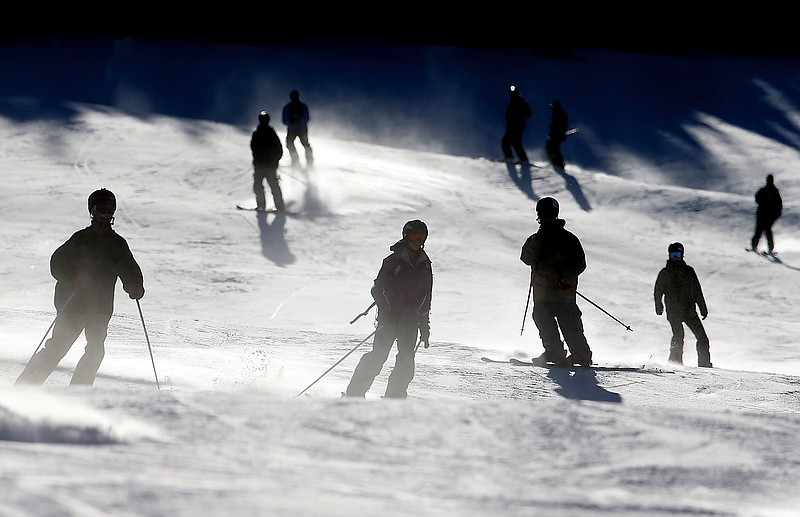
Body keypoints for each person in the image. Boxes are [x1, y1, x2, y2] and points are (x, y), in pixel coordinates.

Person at [16, 188, 145, 386]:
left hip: (100, 309)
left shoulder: (117, 244)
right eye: (101, 209)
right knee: (58, 347)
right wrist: (73, 277)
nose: (105, 214)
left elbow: (130, 268)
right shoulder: (81, 239)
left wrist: (135, 285)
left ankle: (78, 393)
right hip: (73, 305)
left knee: (95, 351)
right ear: (92, 211)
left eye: (109, 209)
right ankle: (24, 387)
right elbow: (56, 263)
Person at [344, 220, 433, 399]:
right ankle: (354, 396)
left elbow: (426, 297)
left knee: (406, 362)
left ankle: (394, 398)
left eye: (421, 238)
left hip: (410, 323)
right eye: (414, 237)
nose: (417, 242)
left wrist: (424, 324)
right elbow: (377, 289)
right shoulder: (393, 261)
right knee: (378, 357)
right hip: (390, 320)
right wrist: (385, 313)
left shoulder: (425, 265)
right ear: (406, 237)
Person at [520, 197, 593, 366]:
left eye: (548, 214)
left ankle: (581, 355)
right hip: (542, 293)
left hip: (563, 293)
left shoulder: (568, 239)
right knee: (542, 319)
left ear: (555, 215)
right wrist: (538, 240)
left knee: (570, 323)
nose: (545, 218)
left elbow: (580, 263)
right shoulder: (535, 239)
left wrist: (567, 279)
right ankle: (554, 352)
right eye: (542, 215)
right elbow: (526, 258)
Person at [654, 242, 712, 367]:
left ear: (682, 255)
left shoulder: (689, 271)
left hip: (689, 310)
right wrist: (658, 305)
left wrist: (702, 307)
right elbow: (658, 291)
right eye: (673, 254)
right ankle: (675, 362)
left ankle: (704, 364)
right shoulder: (665, 273)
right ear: (669, 255)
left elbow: (697, 290)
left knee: (702, 337)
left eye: (678, 254)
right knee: (678, 334)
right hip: (674, 311)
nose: (675, 257)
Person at [250, 110, 285, 212]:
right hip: (261, 165)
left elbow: (279, 150)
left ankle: (279, 207)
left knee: (273, 186)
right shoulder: (257, 133)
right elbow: (253, 148)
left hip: (269, 166)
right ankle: (261, 205)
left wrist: (274, 162)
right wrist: (256, 159)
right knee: (258, 185)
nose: (263, 122)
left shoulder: (271, 134)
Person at [281, 89, 314, 169]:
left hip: (301, 129)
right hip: (293, 129)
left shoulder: (302, 106)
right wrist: (291, 122)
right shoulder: (288, 107)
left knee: (305, 144)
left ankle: (309, 162)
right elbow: (284, 120)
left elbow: (306, 118)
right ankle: (296, 161)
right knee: (290, 144)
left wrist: (298, 121)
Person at [750, 174, 782, 254]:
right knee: (760, 230)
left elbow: (779, 204)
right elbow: (757, 198)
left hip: (769, 215)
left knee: (766, 230)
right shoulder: (764, 190)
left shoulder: (774, 191)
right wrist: (763, 203)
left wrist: (776, 213)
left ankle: (769, 249)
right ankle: (755, 246)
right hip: (761, 214)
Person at [501, 85, 532, 164]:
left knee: (509, 142)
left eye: (512, 93)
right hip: (513, 126)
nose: (511, 95)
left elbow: (528, 113)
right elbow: (508, 115)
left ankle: (513, 158)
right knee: (513, 142)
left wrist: (519, 117)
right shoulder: (513, 103)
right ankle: (519, 159)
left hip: (516, 126)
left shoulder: (520, 102)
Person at [545, 98, 568, 168]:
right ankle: (555, 161)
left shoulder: (559, 113)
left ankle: (559, 163)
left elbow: (561, 124)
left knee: (555, 148)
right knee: (551, 147)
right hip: (555, 133)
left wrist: (557, 129)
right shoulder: (557, 113)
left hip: (557, 134)